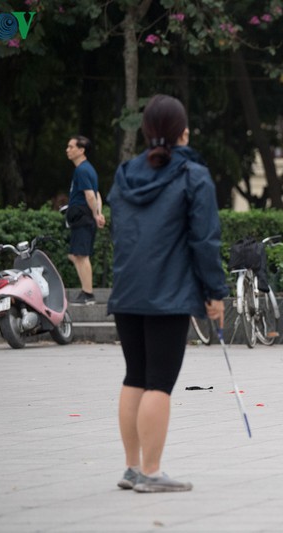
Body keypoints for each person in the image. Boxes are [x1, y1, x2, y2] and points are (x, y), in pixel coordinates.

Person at [107, 94, 228, 493]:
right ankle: (152, 472)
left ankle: (131, 468)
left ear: (145, 132)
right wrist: (214, 292)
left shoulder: (125, 174)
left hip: (128, 291)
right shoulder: (193, 175)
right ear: (183, 132)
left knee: (134, 376)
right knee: (159, 382)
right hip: (168, 294)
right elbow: (205, 241)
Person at [65, 135, 106, 305]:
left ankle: (88, 294)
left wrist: (96, 214)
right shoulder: (88, 169)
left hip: (83, 216)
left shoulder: (82, 170)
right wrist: (99, 213)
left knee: (81, 256)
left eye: (71, 147)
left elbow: (90, 195)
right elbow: (97, 194)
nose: (67, 150)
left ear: (81, 151)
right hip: (85, 216)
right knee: (75, 255)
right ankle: (86, 292)